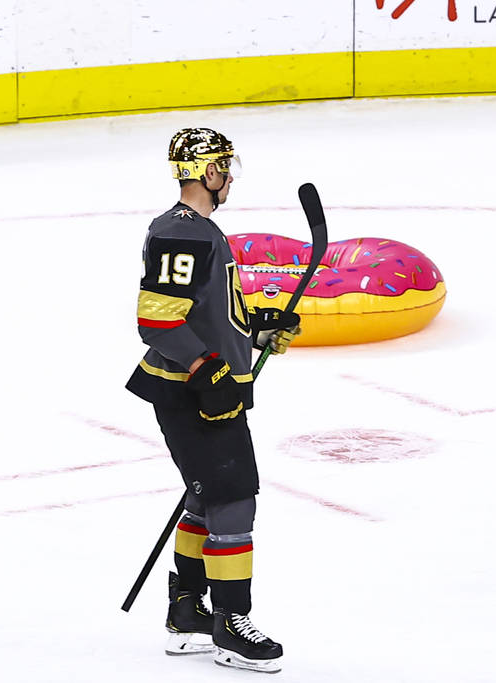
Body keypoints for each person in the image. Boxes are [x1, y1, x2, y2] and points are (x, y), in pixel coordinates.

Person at [125, 127, 300, 672]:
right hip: (190, 393)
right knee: (233, 499)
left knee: (204, 498)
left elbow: (205, 312)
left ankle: (187, 615)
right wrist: (209, 371)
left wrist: (256, 332)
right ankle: (230, 624)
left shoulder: (200, 230)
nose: (229, 178)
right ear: (206, 173)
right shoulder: (184, 233)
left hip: (203, 386)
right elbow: (156, 322)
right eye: (224, 167)